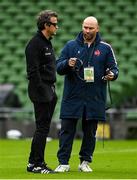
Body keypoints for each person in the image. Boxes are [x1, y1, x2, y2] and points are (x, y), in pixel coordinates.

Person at [55, 16, 119, 172]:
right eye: (85, 27)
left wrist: (112, 74)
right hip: (72, 96)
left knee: (90, 132)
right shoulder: (70, 45)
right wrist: (67, 64)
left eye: (91, 28)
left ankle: (85, 162)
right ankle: (63, 162)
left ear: (97, 28)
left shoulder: (105, 48)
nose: (87, 31)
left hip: (94, 97)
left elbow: (114, 68)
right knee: (66, 130)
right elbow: (58, 67)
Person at [25, 10, 58, 174]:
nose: (57, 27)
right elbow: (33, 72)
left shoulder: (47, 42)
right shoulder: (35, 44)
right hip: (42, 91)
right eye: (54, 24)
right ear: (46, 25)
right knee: (42, 128)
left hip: (49, 89)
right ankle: (36, 164)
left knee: (43, 128)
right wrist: (43, 91)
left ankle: (33, 162)